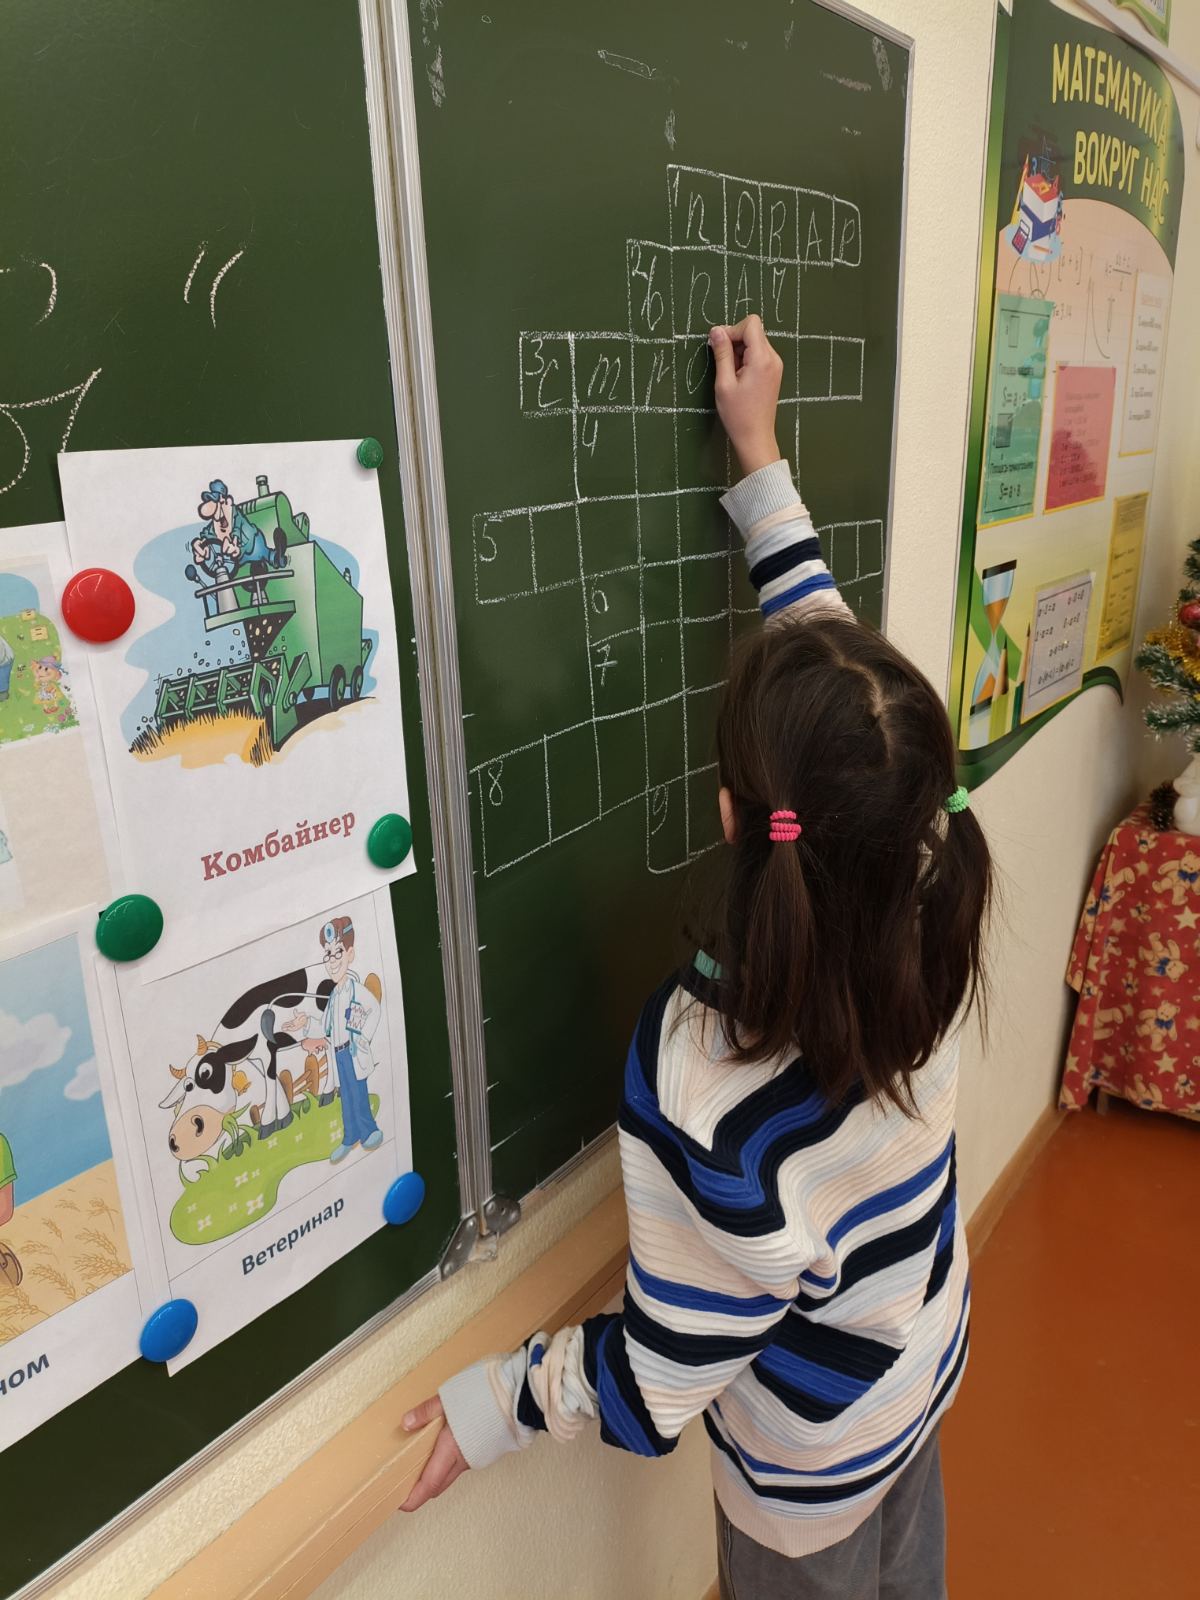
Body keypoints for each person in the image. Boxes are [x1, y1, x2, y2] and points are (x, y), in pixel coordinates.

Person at [398, 316, 993, 1600]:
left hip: (801, 1474)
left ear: (733, 815)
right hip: (912, 1376)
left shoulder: (708, 1084)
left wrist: (499, 1402)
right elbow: (846, 710)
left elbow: (662, 1369)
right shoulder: (934, 886)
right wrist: (759, 460)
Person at [297, 916, 384, 1163]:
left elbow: (374, 1010)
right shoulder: (334, 995)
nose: (332, 961)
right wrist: (306, 1024)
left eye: (337, 953)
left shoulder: (356, 990)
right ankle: (350, 1136)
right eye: (328, 955)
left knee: (358, 1092)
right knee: (346, 1095)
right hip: (338, 1054)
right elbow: (325, 1027)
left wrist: (364, 1037)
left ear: (350, 953)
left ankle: (368, 1130)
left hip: (353, 1051)